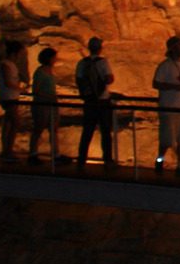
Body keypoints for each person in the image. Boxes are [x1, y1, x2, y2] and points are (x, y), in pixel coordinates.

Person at [153, 36, 180, 175]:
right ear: (172, 49)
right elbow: (156, 83)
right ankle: (159, 160)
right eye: (179, 46)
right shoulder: (165, 66)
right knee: (167, 139)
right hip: (169, 107)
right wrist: (173, 87)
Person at [74, 37, 116, 169]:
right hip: (102, 100)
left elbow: (78, 80)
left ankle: (81, 159)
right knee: (105, 131)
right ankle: (107, 160)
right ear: (100, 48)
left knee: (87, 130)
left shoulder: (82, 63)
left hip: (89, 100)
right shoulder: (102, 62)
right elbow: (109, 79)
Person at [27, 47, 66, 165]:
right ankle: (32, 153)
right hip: (42, 104)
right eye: (54, 57)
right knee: (38, 128)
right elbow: (36, 89)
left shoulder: (49, 71)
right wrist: (48, 96)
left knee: (53, 129)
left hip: (51, 103)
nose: (56, 59)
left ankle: (56, 154)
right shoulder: (40, 72)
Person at [0, 40, 24, 162]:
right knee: (14, 123)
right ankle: (7, 151)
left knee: (9, 124)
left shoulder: (11, 65)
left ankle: (7, 150)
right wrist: (20, 88)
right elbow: (8, 81)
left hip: (12, 96)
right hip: (8, 97)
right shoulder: (5, 64)